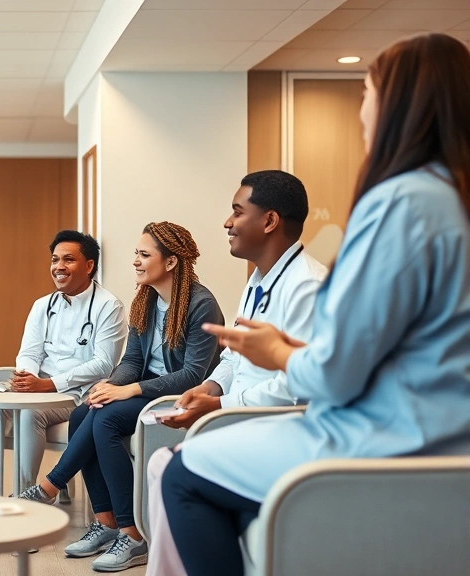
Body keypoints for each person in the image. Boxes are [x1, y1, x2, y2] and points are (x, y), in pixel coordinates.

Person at [163, 33, 470, 576]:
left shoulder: (401, 202)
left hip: (385, 440)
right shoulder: (452, 198)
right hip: (444, 433)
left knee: (183, 474)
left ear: (399, 104)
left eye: (367, 93)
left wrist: (278, 352)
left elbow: (334, 375)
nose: (362, 110)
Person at [142, 171, 327, 576]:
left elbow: (296, 384)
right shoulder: (257, 282)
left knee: (170, 471)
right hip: (241, 418)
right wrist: (209, 386)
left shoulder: (307, 287)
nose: (227, 223)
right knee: (159, 464)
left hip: (273, 422)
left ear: (269, 221)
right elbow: (235, 358)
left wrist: (220, 405)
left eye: (237, 211)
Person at [19, 222, 224, 572]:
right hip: (146, 390)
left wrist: (129, 389)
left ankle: (131, 533)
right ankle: (107, 521)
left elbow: (193, 374)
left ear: (171, 262)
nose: (136, 262)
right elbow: (131, 360)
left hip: (179, 397)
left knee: (107, 420)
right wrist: (109, 385)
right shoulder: (146, 299)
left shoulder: (200, 305)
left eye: (144, 255)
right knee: (86, 411)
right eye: (136, 254)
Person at [0, 230, 128, 496]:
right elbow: (29, 353)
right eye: (55, 260)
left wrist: (48, 384)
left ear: (89, 266)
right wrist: (26, 379)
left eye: (68, 260)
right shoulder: (43, 305)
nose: (58, 267)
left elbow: (103, 363)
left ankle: (26, 490)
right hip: (39, 385)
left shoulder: (108, 306)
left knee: (32, 412)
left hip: (77, 395)